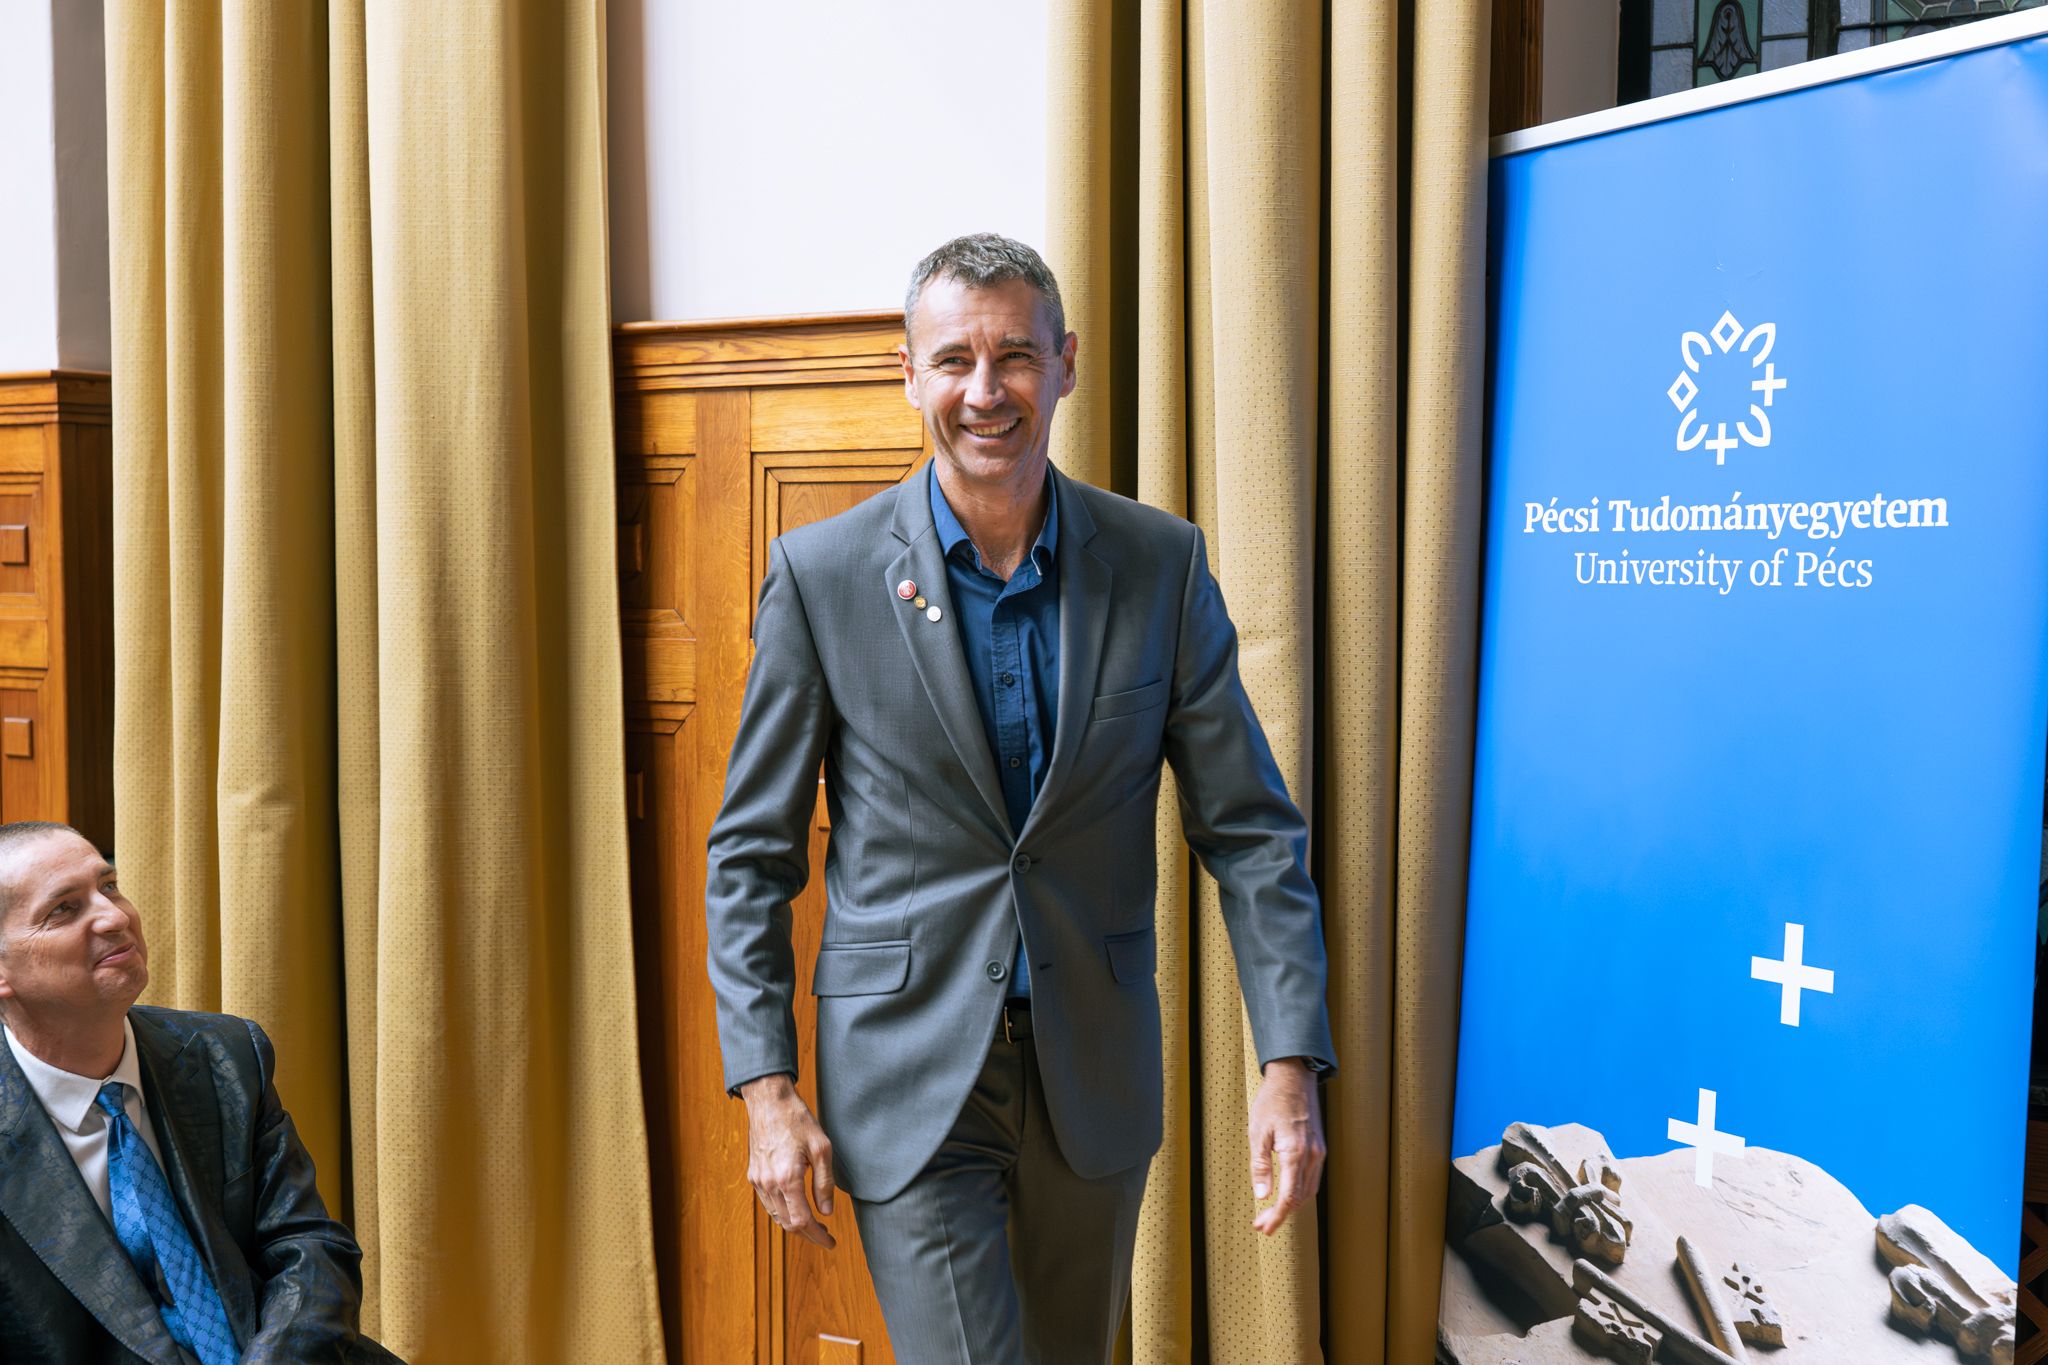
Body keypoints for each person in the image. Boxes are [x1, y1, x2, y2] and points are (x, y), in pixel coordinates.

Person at [705, 233, 1335, 1363]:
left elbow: (1250, 832)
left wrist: (1286, 1064)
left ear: (1065, 364)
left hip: (1092, 1075)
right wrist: (766, 1088)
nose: (985, 390)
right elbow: (751, 855)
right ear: (909, 374)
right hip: (906, 1076)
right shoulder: (821, 575)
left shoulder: (1160, 565)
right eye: (954, 360)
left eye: (1015, 357)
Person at [0, 820, 398, 1364]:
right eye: (64, 909)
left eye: (110, 886)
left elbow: (310, 1248)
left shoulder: (225, 1054)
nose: (115, 917)